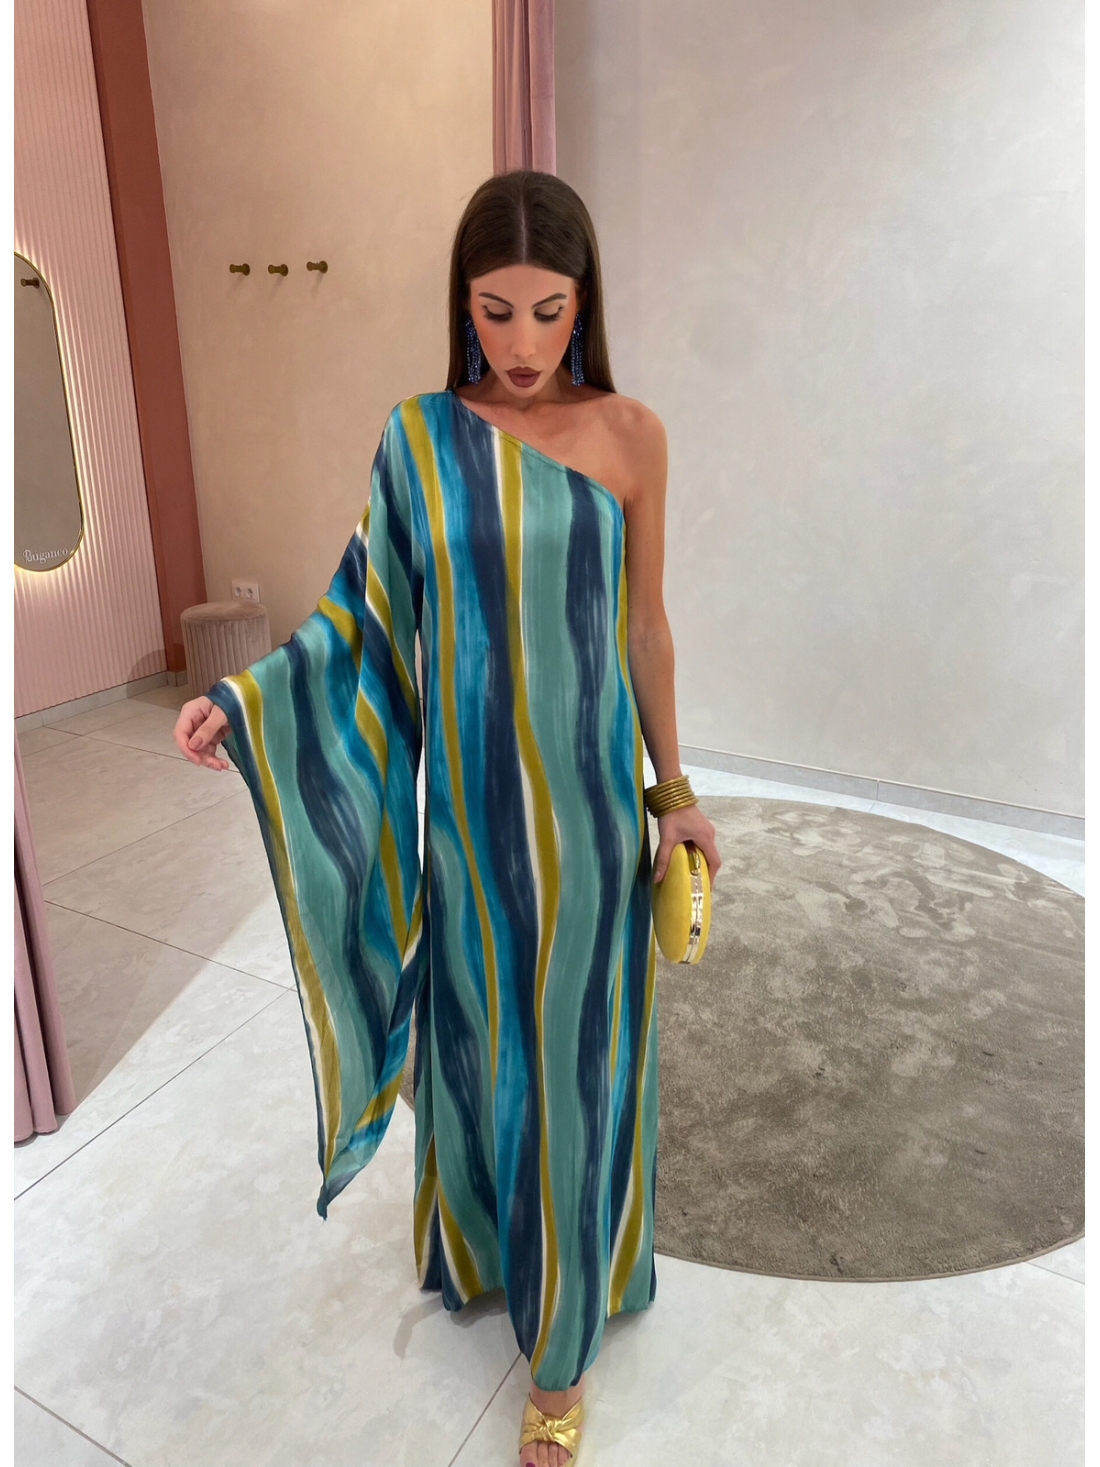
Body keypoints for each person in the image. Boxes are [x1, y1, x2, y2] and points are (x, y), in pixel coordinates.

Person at [173, 169, 722, 1467]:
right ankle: (484, 1249)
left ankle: (562, 1352)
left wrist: (676, 793)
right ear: (461, 305)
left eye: (548, 311)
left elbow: (645, 629)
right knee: (482, 1049)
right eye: (494, 311)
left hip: (590, 823)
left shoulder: (634, 435)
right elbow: (361, 617)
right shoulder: (418, 440)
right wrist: (250, 704)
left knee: (577, 1070)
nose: (522, 344)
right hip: (470, 827)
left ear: (584, 303)